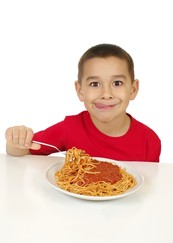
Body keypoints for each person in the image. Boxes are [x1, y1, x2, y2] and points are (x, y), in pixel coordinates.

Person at [5, 43, 161, 161]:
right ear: (80, 91)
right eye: (95, 84)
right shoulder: (69, 128)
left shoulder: (150, 142)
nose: (106, 94)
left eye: (117, 83)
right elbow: (25, 151)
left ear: (133, 89)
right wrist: (16, 141)